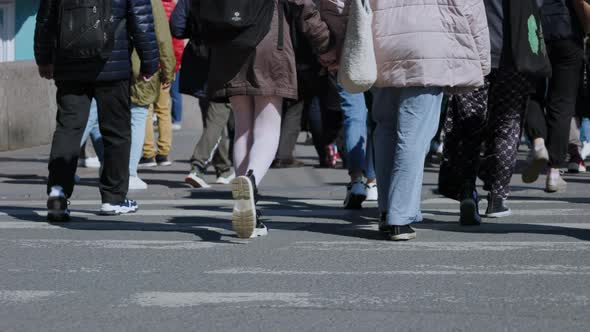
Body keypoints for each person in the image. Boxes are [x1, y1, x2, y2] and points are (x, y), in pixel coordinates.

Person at [327, 0, 490, 240]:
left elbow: (336, 4)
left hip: (380, 42)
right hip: (429, 46)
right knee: (414, 134)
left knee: (385, 128)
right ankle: (399, 216)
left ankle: (387, 209)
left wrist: (334, 43)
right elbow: (471, 6)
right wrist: (482, 60)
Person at [179, 0, 333, 238]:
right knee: (267, 127)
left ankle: (245, 198)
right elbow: (303, 4)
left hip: (228, 45)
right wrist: (325, 42)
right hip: (268, 42)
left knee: (242, 127)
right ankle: (250, 181)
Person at [35, 0, 159, 221]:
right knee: (116, 132)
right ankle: (113, 198)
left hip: (69, 64)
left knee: (68, 129)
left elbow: (46, 19)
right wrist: (149, 61)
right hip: (113, 63)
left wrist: (44, 58)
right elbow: (142, 20)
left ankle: (58, 191)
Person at [170, 0, 236, 188]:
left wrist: (195, 34)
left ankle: (223, 169)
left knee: (212, 118)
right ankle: (197, 166)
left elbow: (176, 25)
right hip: (225, 58)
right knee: (217, 117)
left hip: (198, 57)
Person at [523, 0, 586, 192]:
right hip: (567, 31)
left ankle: (538, 142)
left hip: (533, 29)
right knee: (562, 104)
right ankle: (554, 173)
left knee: (530, 92)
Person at [128, 0, 176, 190]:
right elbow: (163, 37)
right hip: (142, 67)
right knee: (145, 114)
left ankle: (147, 153)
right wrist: (168, 69)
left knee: (99, 118)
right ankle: (155, 155)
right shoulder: (154, 2)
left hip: (112, 65)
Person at [140, 0, 186, 167]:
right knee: (163, 110)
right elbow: (176, 42)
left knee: (146, 109)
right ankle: (163, 153)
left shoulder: (147, 5)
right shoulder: (173, 9)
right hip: (165, 64)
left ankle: (147, 153)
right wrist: (174, 67)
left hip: (147, 64)